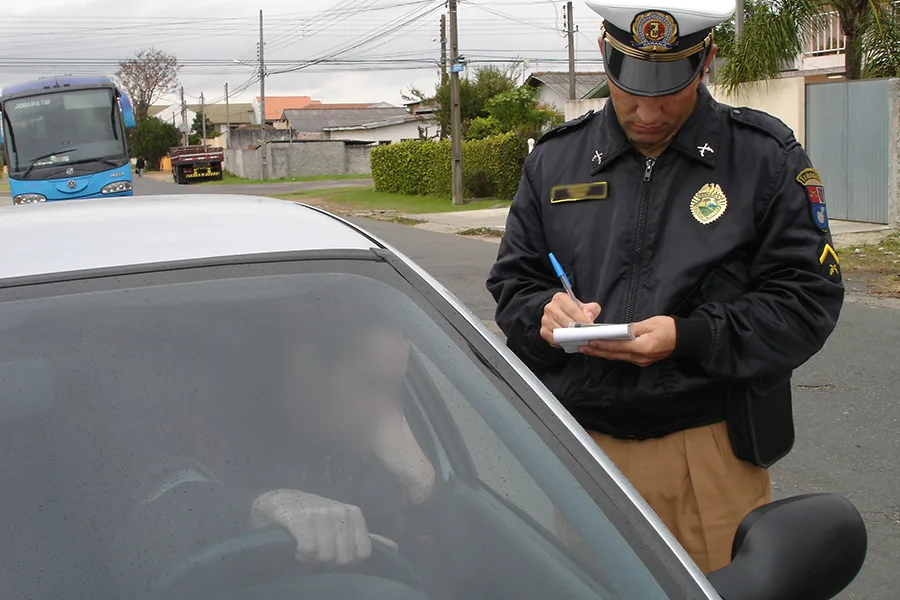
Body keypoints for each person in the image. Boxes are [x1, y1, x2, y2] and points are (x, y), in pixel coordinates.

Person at [486, 0, 844, 575]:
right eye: (630, 88)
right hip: (586, 452)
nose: (647, 110)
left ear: (706, 62)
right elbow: (515, 282)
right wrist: (543, 315)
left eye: (667, 89)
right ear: (604, 56)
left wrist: (692, 337)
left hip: (708, 449)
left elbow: (807, 298)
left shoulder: (763, 158)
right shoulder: (555, 162)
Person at [112, 291, 437, 597]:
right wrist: (259, 507)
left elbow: (428, 578)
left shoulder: (368, 453)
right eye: (371, 385)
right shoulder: (208, 425)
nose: (388, 410)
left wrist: (422, 484)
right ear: (306, 368)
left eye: (394, 387)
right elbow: (164, 507)